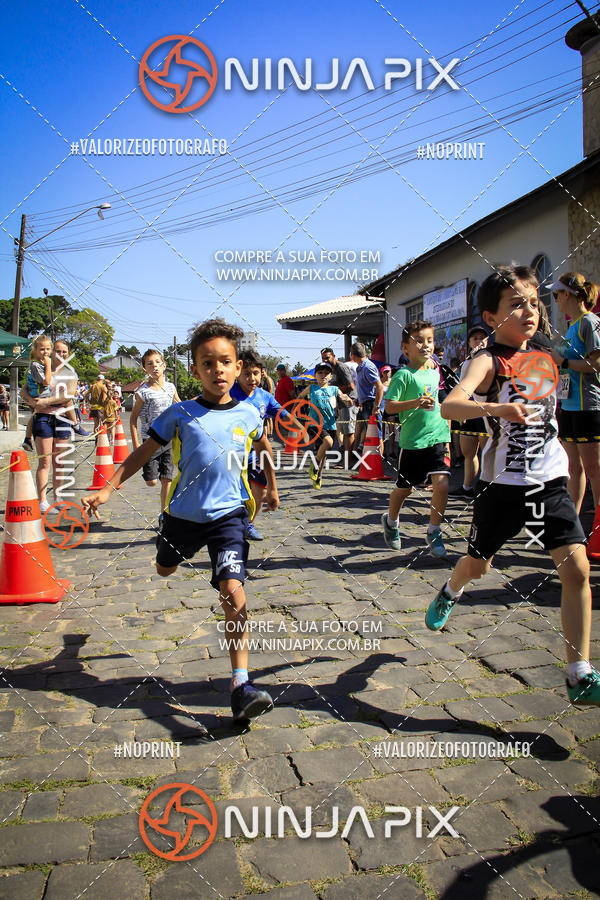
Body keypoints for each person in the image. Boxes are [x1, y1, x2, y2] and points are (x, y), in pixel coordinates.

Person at [82, 319, 279, 723]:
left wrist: (272, 487)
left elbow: (263, 447)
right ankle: (166, 551)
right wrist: (106, 488)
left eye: (225, 362)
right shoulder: (179, 414)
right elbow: (141, 454)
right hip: (181, 518)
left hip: (229, 517)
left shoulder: (248, 413)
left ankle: (241, 684)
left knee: (233, 591)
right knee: (164, 568)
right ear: (194, 370)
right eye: (208, 363)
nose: (218, 370)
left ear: (238, 367)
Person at [426, 264, 600, 707]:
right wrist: (496, 410)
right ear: (491, 317)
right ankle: (451, 589)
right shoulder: (487, 359)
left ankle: (579, 671)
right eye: (516, 304)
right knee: (478, 566)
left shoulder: (545, 353)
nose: (530, 311)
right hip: (501, 487)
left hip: (548, 481)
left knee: (576, 570)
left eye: (534, 302)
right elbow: (450, 407)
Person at [382, 321, 450, 558]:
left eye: (429, 340)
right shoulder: (403, 375)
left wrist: (448, 425)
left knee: (442, 484)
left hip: (438, 436)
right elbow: (389, 407)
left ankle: (434, 531)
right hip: (412, 442)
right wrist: (415, 403)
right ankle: (391, 521)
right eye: (419, 341)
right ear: (405, 348)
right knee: (405, 489)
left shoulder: (435, 370)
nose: (426, 345)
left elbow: (441, 400)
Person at [547, 272, 600, 513]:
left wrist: (563, 362)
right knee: (573, 469)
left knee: (594, 470)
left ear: (567, 294)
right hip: (568, 407)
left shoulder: (589, 322)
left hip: (588, 407)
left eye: (556, 294)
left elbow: (597, 364)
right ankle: (572, 525)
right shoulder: (572, 326)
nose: (555, 300)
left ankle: (597, 530)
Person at [231, 350, 285, 540]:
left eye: (255, 373)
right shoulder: (228, 392)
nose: (251, 378)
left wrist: (302, 426)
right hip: (233, 452)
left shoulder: (264, 396)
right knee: (234, 491)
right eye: (247, 373)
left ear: (262, 373)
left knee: (261, 490)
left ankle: (248, 524)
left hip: (258, 451)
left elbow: (282, 413)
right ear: (237, 372)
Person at [21, 339, 78, 512]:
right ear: (52, 353)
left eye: (64, 352)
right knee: (44, 462)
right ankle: (42, 501)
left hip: (61, 418)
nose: (61, 355)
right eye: (58, 351)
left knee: (59, 462)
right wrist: (34, 403)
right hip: (43, 419)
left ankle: (58, 498)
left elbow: (69, 395)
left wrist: (45, 401)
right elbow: (24, 391)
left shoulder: (70, 373)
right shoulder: (39, 369)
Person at [130, 349, 181, 523]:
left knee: (167, 479)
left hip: (168, 440)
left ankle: (164, 514)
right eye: (149, 363)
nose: (154, 366)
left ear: (164, 366)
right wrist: (137, 445)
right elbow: (133, 418)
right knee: (151, 482)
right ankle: (151, 474)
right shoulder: (143, 392)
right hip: (150, 441)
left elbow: (179, 406)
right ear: (144, 369)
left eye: (157, 362)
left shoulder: (170, 387)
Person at [295, 361, 351, 489]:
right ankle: (313, 466)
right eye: (320, 373)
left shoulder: (334, 389)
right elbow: (300, 396)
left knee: (324, 451)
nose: (323, 375)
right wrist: (295, 410)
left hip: (330, 425)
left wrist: (349, 401)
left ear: (331, 376)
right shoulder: (312, 388)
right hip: (314, 424)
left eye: (326, 373)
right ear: (315, 375)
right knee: (329, 442)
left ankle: (318, 475)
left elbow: (343, 397)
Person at [450, 326, 489, 499]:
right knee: (469, 453)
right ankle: (467, 488)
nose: (479, 341)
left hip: (488, 413)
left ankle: (486, 488)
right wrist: (461, 411)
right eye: (475, 339)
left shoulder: (492, 360)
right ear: (469, 343)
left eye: (482, 338)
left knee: (488, 453)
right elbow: (463, 390)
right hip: (470, 412)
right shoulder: (467, 363)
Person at [321, 347, 357, 465]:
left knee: (349, 432)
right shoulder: (331, 369)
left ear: (334, 356)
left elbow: (351, 386)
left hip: (349, 403)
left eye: (327, 357)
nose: (325, 360)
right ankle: (347, 459)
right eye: (323, 358)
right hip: (341, 405)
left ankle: (348, 460)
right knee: (344, 433)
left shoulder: (341, 367)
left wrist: (334, 390)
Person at [349, 342, 384, 452]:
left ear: (353, 355)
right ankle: (372, 461)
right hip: (366, 403)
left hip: (371, 404)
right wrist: (360, 399)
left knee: (376, 435)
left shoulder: (367, 367)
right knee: (370, 434)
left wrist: (376, 406)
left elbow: (379, 387)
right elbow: (368, 387)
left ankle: (378, 463)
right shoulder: (361, 367)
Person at [21, 334, 52, 452]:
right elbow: (46, 381)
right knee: (36, 415)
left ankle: (28, 438)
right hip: (39, 396)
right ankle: (28, 438)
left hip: (39, 396)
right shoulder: (35, 365)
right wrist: (49, 364)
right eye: (42, 349)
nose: (45, 352)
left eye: (48, 349)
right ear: (35, 350)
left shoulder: (40, 364)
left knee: (34, 416)